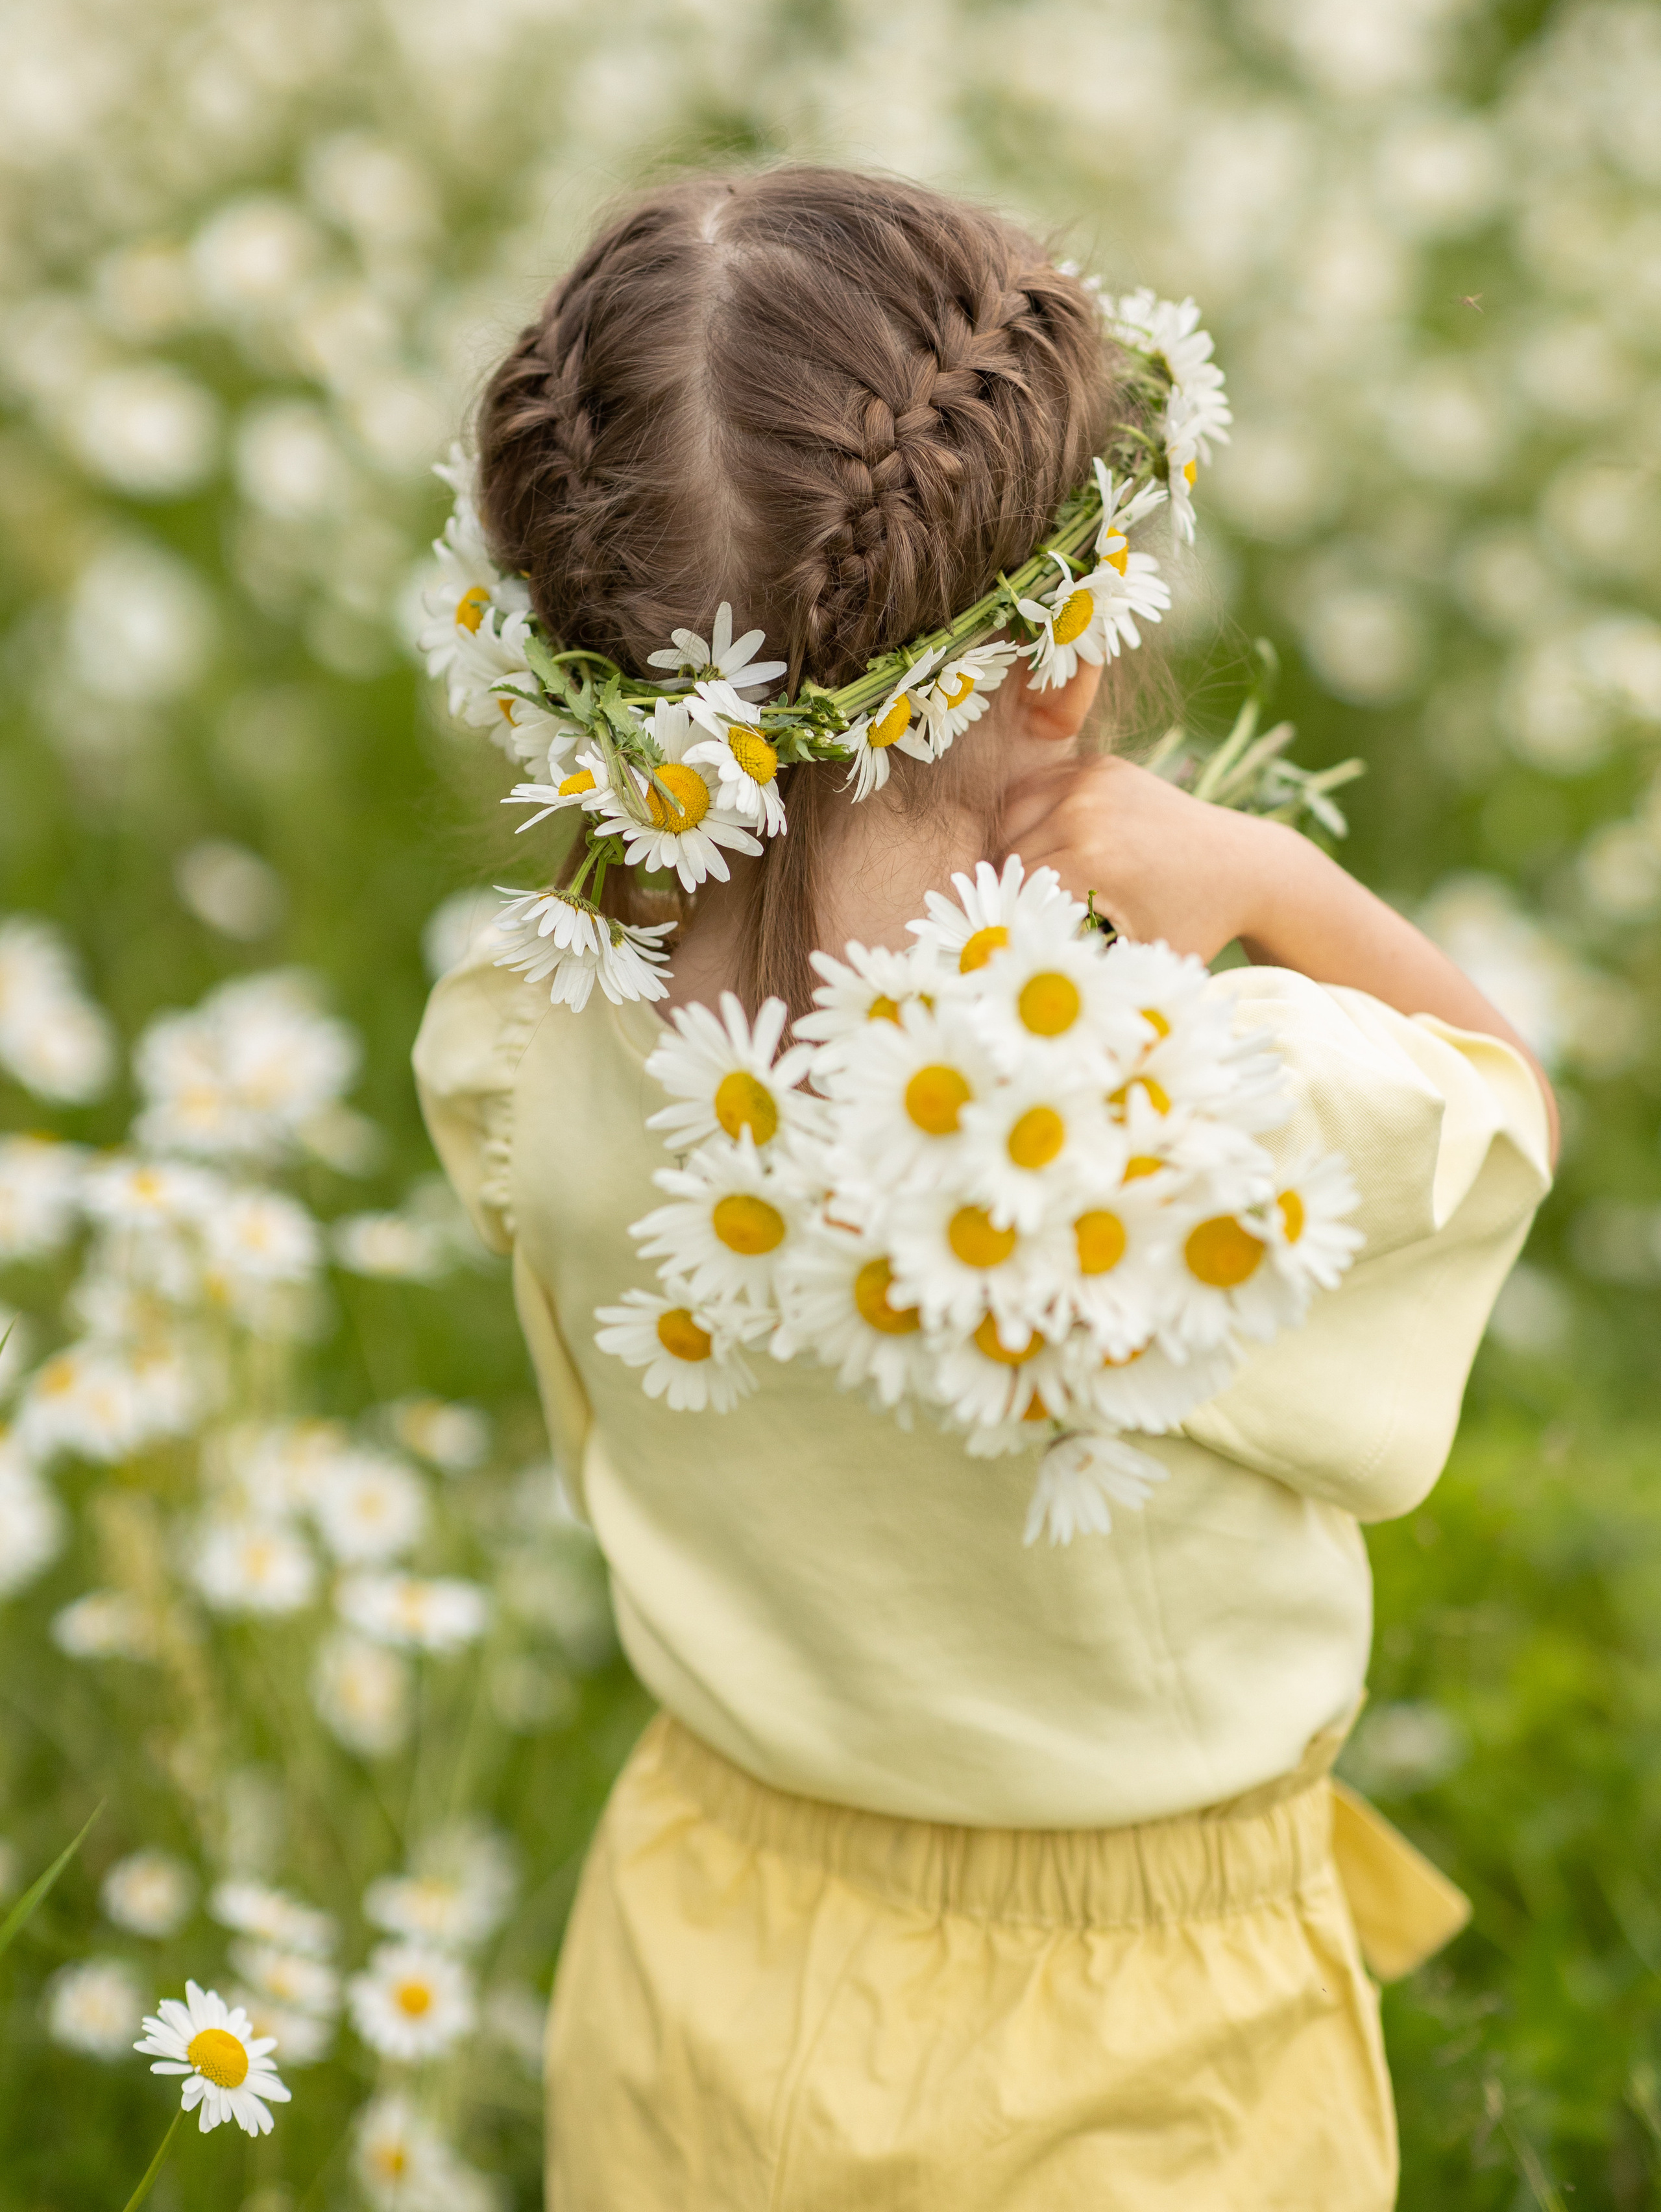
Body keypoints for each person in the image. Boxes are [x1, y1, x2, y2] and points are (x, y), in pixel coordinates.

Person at [414, 166, 1555, 2210]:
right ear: (1058, 671)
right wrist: (1274, 881)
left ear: (575, 681)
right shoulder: (1185, 1120)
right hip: (1136, 2054)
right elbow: (1500, 1102)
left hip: (701, 1947)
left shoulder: (528, 1038)